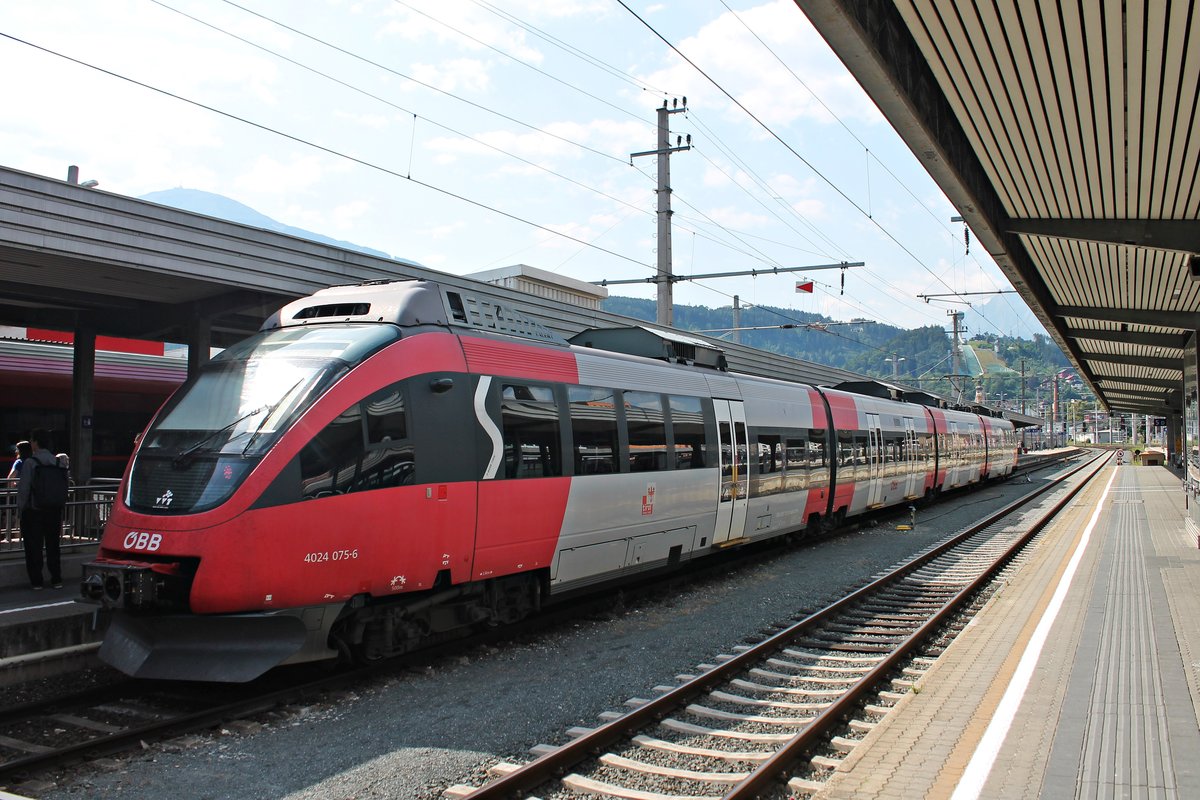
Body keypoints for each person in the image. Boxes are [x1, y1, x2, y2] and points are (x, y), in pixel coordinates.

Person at [17, 430, 67, 590]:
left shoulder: (30, 463)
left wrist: (21, 509)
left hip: (34, 511)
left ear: (36, 442)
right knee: (53, 545)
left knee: (34, 547)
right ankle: (56, 579)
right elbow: (64, 487)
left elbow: (24, 489)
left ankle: (37, 581)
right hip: (54, 510)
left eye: (32, 440)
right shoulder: (58, 463)